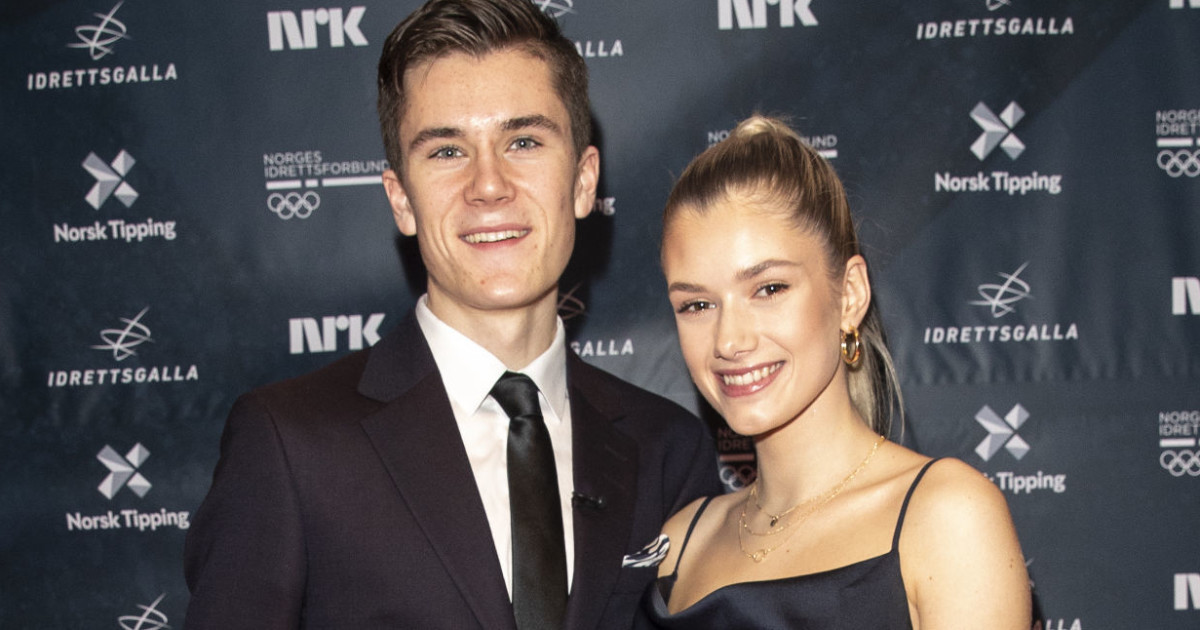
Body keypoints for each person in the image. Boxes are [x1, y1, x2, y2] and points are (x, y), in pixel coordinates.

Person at [183, 1, 720, 627]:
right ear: (401, 200)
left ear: (582, 181)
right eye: (446, 151)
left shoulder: (666, 449)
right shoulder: (290, 443)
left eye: (523, 142)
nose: (488, 185)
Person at [638, 116, 1031, 629]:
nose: (729, 341)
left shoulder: (946, 516)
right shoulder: (680, 545)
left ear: (849, 295)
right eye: (697, 305)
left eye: (769, 289)